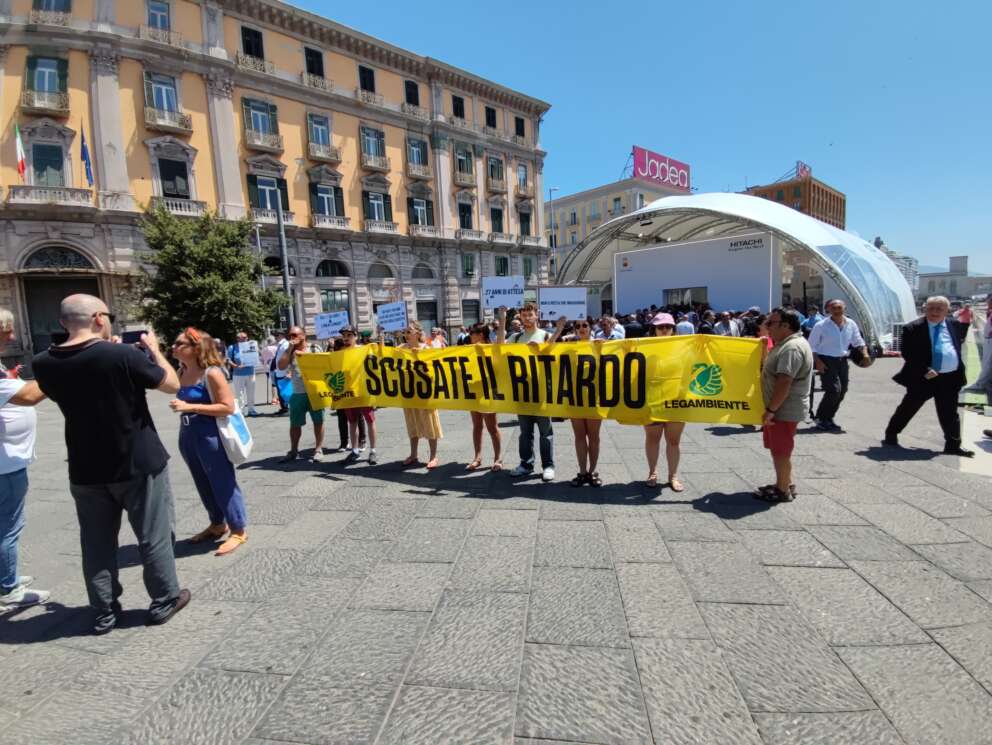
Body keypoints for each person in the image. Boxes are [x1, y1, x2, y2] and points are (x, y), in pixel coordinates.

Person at [32, 294, 189, 633]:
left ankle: (104, 611)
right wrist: (154, 350)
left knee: (96, 543)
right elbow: (172, 384)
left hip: (86, 466)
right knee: (153, 535)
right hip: (138, 461)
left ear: (63, 322)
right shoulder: (122, 354)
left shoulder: (43, 362)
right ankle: (164, 599)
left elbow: (84, 376)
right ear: (99, 319)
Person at [169, 328, 249, 556]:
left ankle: (238, 529)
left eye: (179, 343)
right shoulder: (181, 371)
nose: (173, 347)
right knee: (202, 482)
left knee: (222, 481)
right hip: (188, 434)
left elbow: (228, 407)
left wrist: (190, 406)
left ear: (196, 349)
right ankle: (217, 523)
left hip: (210, 434)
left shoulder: (211, 373)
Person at [0, 309, 50, 608]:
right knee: (8, 525)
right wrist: (61, 367)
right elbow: (30, 396)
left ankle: (7, 575)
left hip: (7, 460)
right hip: (6, 464)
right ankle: (9, 589)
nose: (12, 336)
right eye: (7, 330)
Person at [884, 296, 975, 457]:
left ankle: (953, 445)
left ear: (947, 311)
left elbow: (954, 347)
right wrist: (925, 369)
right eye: (931, 308)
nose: (934, 312)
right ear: (925, 309)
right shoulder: (912, 328)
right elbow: (908, 354)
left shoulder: (954, 325)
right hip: (924, 377)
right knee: (908, 407)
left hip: (950, 377)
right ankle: (891, 434)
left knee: (950, 412)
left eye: (939, 309)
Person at [755, 308, 814, 503]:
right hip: (781, 408)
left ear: (786, 325)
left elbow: (784, 381)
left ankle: (782, 490)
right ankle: (786, 483)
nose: (767, 326)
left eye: (771, 323)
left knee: (781, 451)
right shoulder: (786, 344)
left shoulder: (792, 348)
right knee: (779, 449)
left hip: (783, 409)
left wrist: (771, 410)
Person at [498, 304, 555, 482]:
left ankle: (548, 466)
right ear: (520, 318)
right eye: (524, 315)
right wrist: (502, 319)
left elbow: (556, 359)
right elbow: (500, 346)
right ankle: (526, 464)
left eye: (530, 314)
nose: (527, 318)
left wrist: (541, 350)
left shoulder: (545, 335)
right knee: (525, 431)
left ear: (536, 316)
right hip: (522, 391)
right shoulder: (516, 338)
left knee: (545, 431)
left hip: (541, 390)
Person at [555, 316, 602, 486]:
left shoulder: (600, 345)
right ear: (574, 329)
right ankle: (582, 472)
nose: (581, 328)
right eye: (578, 326)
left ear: (590, 327)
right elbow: (548, 350)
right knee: (579, 436)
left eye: (585, 325)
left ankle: (593, 471)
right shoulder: (569, 347)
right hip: (574, 398)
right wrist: (559, 329)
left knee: (594, 437)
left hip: (594, 398)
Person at [807, 299, 867, 431]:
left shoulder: (851, 324)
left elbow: (858, 341)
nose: (837, 310)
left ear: (844, 308)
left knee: (843, 390)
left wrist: (865, 354)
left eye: (839, 307)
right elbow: (811, 346)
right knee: (834, 390)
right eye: (833, 308)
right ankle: (821, 418)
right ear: (828, 309)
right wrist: (818, 362)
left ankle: (829, 418)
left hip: (842, 360)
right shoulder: (821, 325)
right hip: (826, 360)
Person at [643, 313, 686, 490]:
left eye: (668, 327)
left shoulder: (683, 347)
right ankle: (652, 472)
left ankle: (673, 476)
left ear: (673, 330)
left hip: (676, 399)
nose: (664, 330)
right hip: (652, 399)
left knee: (674, 440)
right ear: (654, 330)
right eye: (660, 327)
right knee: (652, 438)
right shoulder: (644, 347)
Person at [397, 321, 443, 468]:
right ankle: (413, 454)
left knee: (430, 423)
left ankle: (433, 456)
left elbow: (434, 368)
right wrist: (381, 337)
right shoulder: (401, 348)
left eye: (409, 331)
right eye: (405, 331)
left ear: (417, 333)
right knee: (412, 423)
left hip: (424, 392)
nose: (406, 333)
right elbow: (385, 356)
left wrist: (419, 356)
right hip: (408, 391)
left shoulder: (426, 348)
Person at [277, 325, 325, 462]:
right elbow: (281, 366)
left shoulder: (315, 348)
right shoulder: (290, 351)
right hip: (298, 392)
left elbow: (324, 365)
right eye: (290, 336)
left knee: (319, 421)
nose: (291, 338)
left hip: (314, 391)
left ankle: (318, 449)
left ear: (303, 336)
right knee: (295, 423)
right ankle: (293, 450)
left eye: (294, 335)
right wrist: (289, 349)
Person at [465, 323, 502, 471]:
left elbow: (497, 365)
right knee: (477, 426)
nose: (470, 335)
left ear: (480, 334)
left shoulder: (491, 348)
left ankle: (498, 458)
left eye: (472, 333)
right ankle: (477, 457)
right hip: (474, 389)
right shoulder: (468, 348)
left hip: (488, 390)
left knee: (492, 426)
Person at [337, 326, 377, 464]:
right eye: (344, 335)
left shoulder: (363, 349)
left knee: (370, 420)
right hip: (349, 392)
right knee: (352, 422)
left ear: (355, 336)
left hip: (364, 391)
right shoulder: (340, 352)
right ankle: (354, 450)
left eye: (349, 335)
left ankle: (373, 451)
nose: (346, 338)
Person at [962, 295, 992, 405]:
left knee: (987, 364)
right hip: (988, 340)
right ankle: (982, 382)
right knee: (987, 363)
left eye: (989, 302)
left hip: (990, 340)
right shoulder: (990, 311)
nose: (987, 303)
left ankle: (980, 384)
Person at [227, 331, 259, 417]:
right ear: (237, 339)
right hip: (238, 374)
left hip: (250, 372)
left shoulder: (251, 345)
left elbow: (255, 356)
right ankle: (241, 411)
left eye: (245, 337)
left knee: (251, 392)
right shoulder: (232, 347)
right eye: (242, 338)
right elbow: (228, 359)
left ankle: (251, 410)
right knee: (239, 394)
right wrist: (235, 366)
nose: (245, 339)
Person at [271, 330, 291, 415]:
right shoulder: (280, 345)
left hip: (284, 372)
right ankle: (283, 408)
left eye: (277, 335)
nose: (275, 337)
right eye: (275, 335)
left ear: (282, 335)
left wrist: (289, 372)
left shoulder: (286, 344)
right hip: (279, 371)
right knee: (280, 391)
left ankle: (287, 409)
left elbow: (289, 358)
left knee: (285, 391)